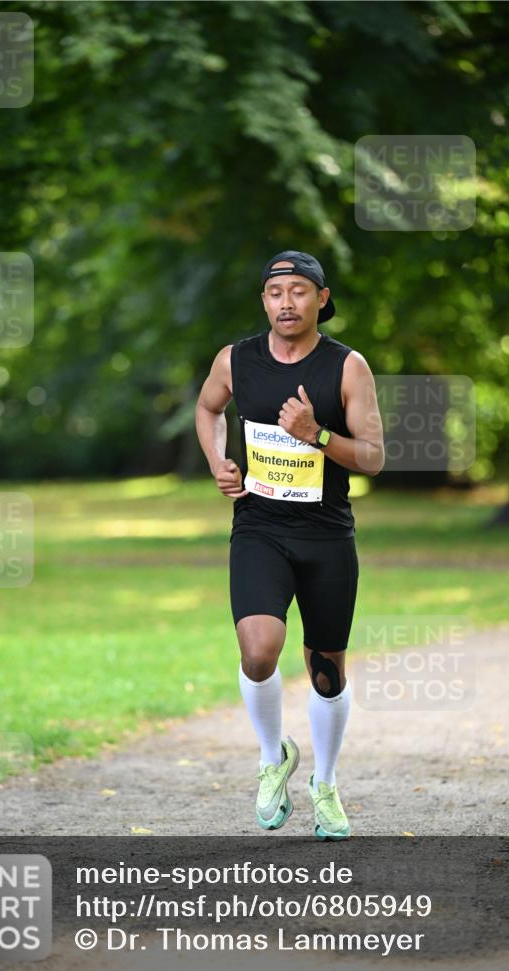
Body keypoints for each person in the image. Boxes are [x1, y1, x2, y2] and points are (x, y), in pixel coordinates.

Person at [195, 250, 384, 840]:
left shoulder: (347, 367)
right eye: (276, 292)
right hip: (259, 528)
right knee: (258, 648)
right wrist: (217, 462)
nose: (286, 302)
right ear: (264, 301)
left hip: (327, 534)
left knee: (326, 672)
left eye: (299, 291)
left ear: (321, 299)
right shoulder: (236, 360)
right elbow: (207, 409)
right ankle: (270, 759)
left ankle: (324, 785)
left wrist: (317, 434)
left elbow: (374, 457)